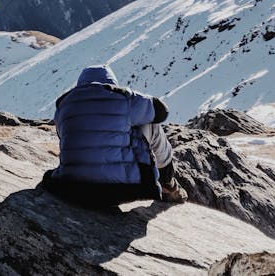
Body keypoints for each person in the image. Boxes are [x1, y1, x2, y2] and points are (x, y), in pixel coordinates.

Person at [41, 65, 188, 207]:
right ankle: (168, 184)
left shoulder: (63, 104)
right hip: (121, 188)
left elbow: (64, 137)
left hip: (70, 185)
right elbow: (162, 111)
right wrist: (132, 98)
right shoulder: (122, 97)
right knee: (150, 124)